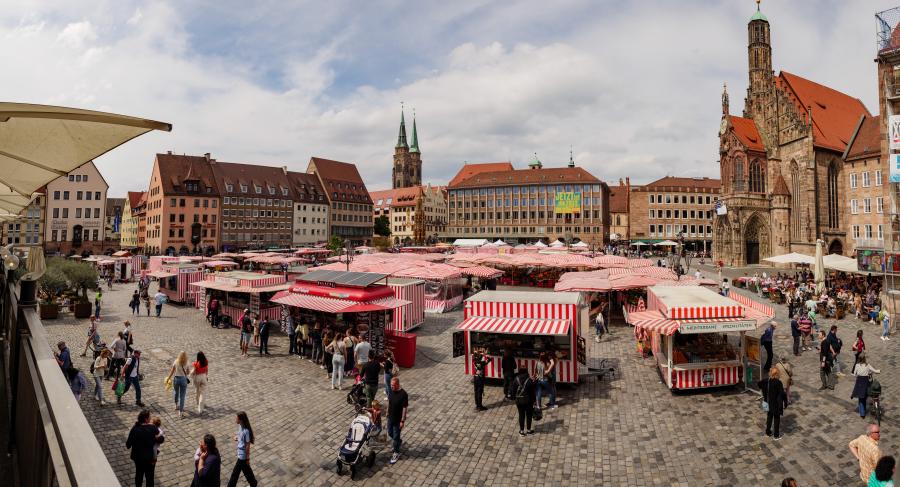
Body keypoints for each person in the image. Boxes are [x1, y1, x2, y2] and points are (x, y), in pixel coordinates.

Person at [125, 409, 164, 487]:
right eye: (149, 417)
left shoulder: (134, 429)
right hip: (149, 458)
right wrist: (156, 437)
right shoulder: (152, 428)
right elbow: (161, 439)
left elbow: (128, 445)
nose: (150, 419)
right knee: (150, 478)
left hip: (138, 458)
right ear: (146, 419)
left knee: (139, 475)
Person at [226, 412, 257, 487]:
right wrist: (237, 438)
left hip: (242, 456)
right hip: (240, 454)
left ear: (241, 420)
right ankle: (253, 483)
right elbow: (240, 436)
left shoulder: (246, 431)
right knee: (246, 471)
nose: (235, 419)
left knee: (235, 474)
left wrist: (247, 458)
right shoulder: (240, 426)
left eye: (236, 418)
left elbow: (247, 445)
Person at [758, 366, 785, 440]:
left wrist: (764, 393)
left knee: (769, 417)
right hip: (776, 404)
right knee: (776, 419)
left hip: (768, 402)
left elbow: (759, 384)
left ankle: (768, 432)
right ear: (777, 374)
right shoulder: (778, 382)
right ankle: (776, 435)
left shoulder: (766, 380)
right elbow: (781, 394)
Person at [851, 353, 881, 418]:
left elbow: (854, 374)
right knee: (866, 396)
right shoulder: (868, 365)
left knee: (861, 399)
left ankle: (862, 413)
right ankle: (868, 409)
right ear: (865, 358)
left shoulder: (857, 365)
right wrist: (879, 371)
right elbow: (875, 371)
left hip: (859, 383)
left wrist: (856, 375)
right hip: (865, 384)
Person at [387, 377, 408, 465]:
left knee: (395, 437)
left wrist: (402, 421)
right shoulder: (391, 391)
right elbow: (389, 402)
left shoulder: (403, 394)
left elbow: (404, 408)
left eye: (393, 385)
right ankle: (398, 442)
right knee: (390, 432)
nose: (391, 387)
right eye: (391, 385)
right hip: (390, 417)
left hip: (398, 419)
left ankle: (397, 452)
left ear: (398, 384)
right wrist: (387, 411)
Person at [166, 351, 191, 418]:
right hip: (183, 380)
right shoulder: (187, 362)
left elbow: (172, 370)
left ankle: (176, 405)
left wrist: (168, 378)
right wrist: (186, 372)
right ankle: (181, 412)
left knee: (176, 393)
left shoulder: (176, 361)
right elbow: (188, 373)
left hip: (176, 379)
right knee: (182, 396)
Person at [513, 366, 536, 436]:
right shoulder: (529, 380)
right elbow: (533, 392)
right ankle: (528, 430)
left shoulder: (516, 379)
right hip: (528, 401)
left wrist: (515, 398)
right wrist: (534, 400)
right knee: (529, 415)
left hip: (519, 400)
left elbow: (513, 390)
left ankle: (522, 431)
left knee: (521, 415)